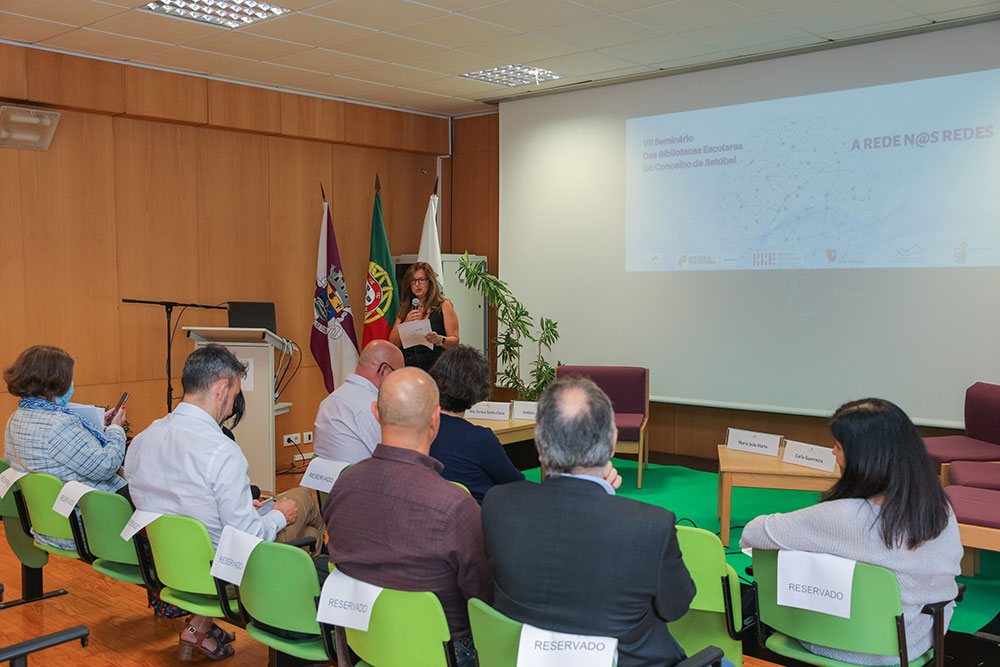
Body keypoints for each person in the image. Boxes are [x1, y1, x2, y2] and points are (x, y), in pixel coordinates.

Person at [125, 344, 327, 661]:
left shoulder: (143, 439)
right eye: (234, 394)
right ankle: (292, 619)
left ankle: (208, 622)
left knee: (298, 517)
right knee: (304, 509)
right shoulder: (221, 451)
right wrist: (277, 516)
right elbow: (249, 537)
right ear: (221, 389)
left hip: (171, 568)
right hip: (227, 578)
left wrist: (253, 511)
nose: (233, 403)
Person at [481, 377, 698, 667]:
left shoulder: (497, 504)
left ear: (539, 446)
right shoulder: (651, 526)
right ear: (613, 443)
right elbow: (677, 607)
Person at [740, 398, 962, 666]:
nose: (832, 452)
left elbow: (753, 533)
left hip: (832, 642)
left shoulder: (842, 516)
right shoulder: (940, 506)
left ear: (865, 457)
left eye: (838, 446)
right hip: (913, 642)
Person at [324, 367, 491, 667]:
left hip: (364, 642)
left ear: (376, 412)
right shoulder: (455, 506)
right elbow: (484, 600)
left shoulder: (342, 487)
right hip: (443, 653)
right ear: (435, 419)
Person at [3, 345, 128, 551]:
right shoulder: (59, 423)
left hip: (48, 523)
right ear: (56, 381)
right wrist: (115, 429)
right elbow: (106, 466)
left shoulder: (17, 418)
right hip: (85, 526)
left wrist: (97, 428)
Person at [428, 345, 524, 503]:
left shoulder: (419, 429)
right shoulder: (480, 439)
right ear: (478, 387)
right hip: (476, 520)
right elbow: (516, 484)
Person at [313, 340, 403, 463]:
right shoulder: (375, 409)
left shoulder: (329, 400)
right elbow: (396, 460)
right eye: (398, 374)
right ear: (384, 371)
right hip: (363, 480)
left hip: (326, 480)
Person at [388, 262, 459, 371]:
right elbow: (393, 343)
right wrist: (405, 323)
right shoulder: (406, 308)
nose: (417, 284)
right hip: (409, 367)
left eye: (421, 280)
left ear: (430, 282)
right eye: (413, 281)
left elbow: (455, 341)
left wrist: (439, 339)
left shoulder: (444, 305)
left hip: (436, 368)